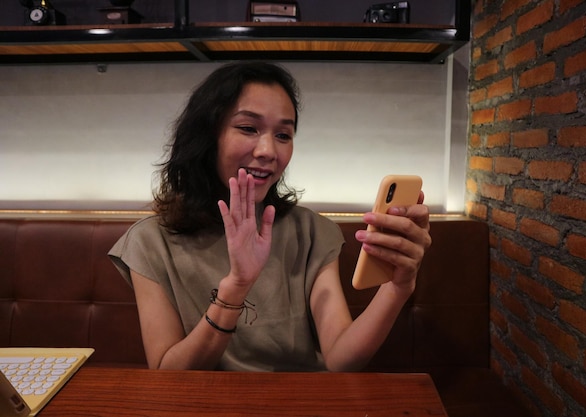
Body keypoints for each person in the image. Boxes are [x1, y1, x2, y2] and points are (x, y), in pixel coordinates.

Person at [109, 61, 431, 372]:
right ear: (207, 137)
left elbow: (340, 358)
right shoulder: (152, 242)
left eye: (283, 135)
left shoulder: (311, 232)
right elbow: (169, 375)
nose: (268, 151)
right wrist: (237, 285)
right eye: (248, 128)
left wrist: (398, 287)